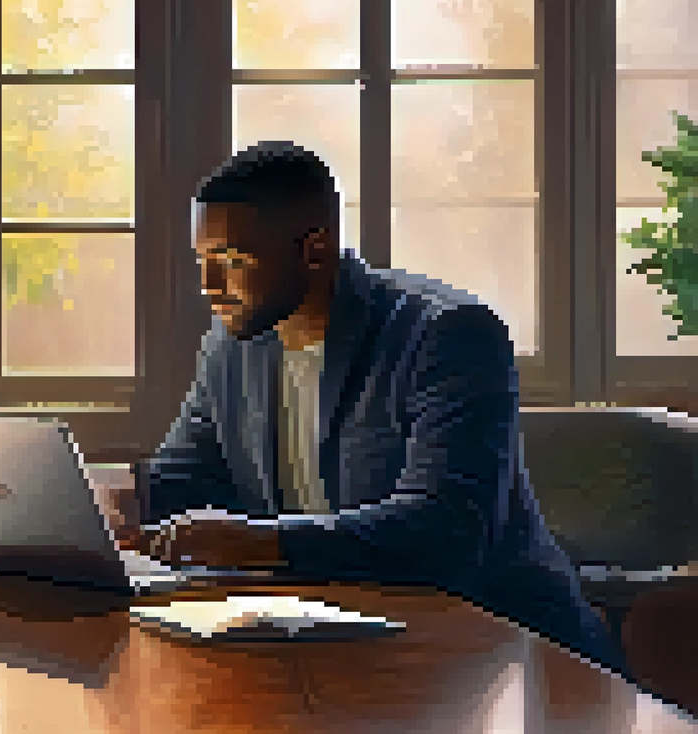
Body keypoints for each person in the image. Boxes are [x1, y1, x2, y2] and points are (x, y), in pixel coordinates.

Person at [122, 141, 623, 672]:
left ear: (315, 250)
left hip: (508, 658)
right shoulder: (232, 347)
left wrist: (263, 543)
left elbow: (444, 530)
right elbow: (187, 475)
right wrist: (115, 501)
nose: (209, 286)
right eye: (203, 260)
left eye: (233, 261)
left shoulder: (446, 335)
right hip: (342, 646)